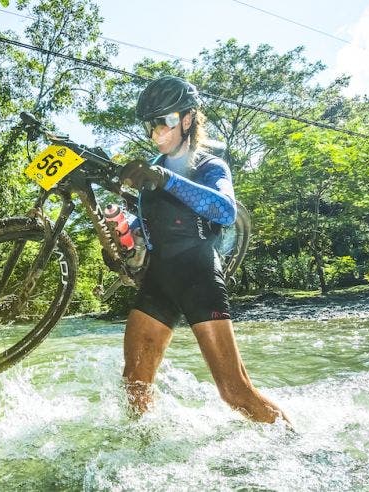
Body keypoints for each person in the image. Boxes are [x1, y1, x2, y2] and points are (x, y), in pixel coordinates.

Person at [118, 76, 289, 425]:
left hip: (199, 277)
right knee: (134, 387)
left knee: (234, 393)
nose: (156, 134)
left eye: (164, 122)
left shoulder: (210, 166)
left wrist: (165, 179)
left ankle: (297, 444)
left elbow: (225, 211)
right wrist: (124, 233)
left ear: (187, 119)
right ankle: (145, 459)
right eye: (150, 125)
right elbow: (147, 229)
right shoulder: (154, 171)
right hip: (158, 282)